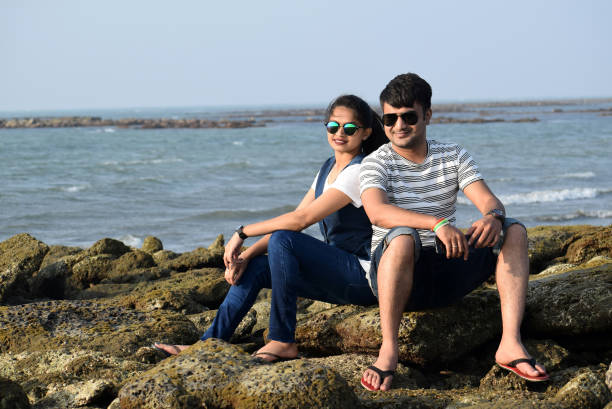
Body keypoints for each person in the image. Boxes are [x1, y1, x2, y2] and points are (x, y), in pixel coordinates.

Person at [154, 94, 387, 361]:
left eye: (349, 128)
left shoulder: (359, 172)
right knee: (256, 268)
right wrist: (246, 255)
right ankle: (208, 343)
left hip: (363, 277)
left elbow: (300, 222)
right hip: (339, 274)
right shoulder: (328, 168)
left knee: (284, 239)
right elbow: (297, 215)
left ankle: (282, 340)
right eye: (333, 127)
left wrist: (242, 233)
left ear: (366, 132)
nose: (339, 134)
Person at [358, 73, 549, 391]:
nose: (398, 125)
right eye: (389, 118)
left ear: (427, 115)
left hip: (447, 270)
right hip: (395, 272)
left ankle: (510, 344)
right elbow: (377, 211)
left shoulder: (453, 155)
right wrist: (436, 223)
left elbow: (488, 199)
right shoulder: (376, 162)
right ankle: (389, 349)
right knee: (404, 235)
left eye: (409, 116)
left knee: (513, 228)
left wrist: (493, 217)